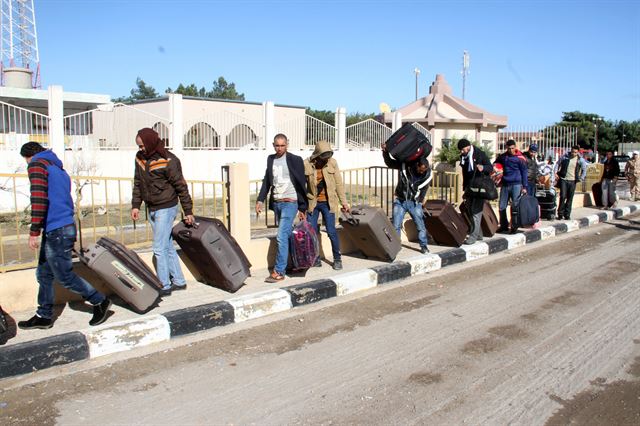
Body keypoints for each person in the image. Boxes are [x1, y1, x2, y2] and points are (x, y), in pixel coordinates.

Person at [17, 142, 111, 330]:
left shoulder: (36, 165)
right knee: (43, 274)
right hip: (61, 226)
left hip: (57, 229)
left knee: (64, 275)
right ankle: (43, 315)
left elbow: (38, 199)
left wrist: (34, 231)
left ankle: (99, 300)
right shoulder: (58, 169)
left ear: (29, 156)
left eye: (25, 160)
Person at [131, 128, 194, 296]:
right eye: (139, 146)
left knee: (158, 248)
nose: (141, 149)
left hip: (166, 207)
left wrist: (188, 210)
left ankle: (164, 285)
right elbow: (138, 183)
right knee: (166, 246)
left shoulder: (168, 160)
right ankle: (179, 281)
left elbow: (181, 186)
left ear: (151, 142)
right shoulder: (140, 159)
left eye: (143, 146)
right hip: (151, 207)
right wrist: (136, 205)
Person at [256, 134, 307, 282]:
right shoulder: (270, 159)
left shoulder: (295, 160)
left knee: (281, 236)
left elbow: (301, 183)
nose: (279, 148)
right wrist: (260, 199)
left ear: (287, 145)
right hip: (277, 202)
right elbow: (267, 181)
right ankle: (295, 263)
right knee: (287, 236)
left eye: (282, 145)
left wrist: (302, 208)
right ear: (273, 145)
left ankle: (279, 271)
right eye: (277, 145)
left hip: (291, 202)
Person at [304, 140, 349, 270]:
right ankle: (316, 258)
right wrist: (301, 207)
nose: (326, 159)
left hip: (329, 203)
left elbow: (339, 184)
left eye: (328, 156)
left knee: (331, 231)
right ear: (317, 155)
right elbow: (301, 185)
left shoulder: (332, 163)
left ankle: (337, 259)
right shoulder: (306, 164)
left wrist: (344, 202)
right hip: (312, 203)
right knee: (311, 232)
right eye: (324, 157)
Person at [382, 143, 432, 253]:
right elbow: (390, 163)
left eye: (424, 170)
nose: (421, 172)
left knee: (420, 225)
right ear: (417, 165)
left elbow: (424, 188)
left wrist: (420, 200)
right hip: (400, 200)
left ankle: (423, 246)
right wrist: (385, 152)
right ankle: (396, 247)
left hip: (414, 203)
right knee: (396, 226)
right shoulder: (405, 166)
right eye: (420, 170)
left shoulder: (427, 175)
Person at [458, 139, 494, 245]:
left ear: (467, 147)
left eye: (462, 149)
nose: (461, 152)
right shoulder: (463, 158)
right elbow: (466, 174)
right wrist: (465, 189)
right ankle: (479, 234)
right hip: (470, 187)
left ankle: (473, 236)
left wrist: (483, 167)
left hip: (480, 188)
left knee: (476, 211)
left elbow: (490, 167)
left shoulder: (479, 154)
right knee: (468, 209)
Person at [493, 139, 528, 233]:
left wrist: (524, 187)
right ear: (506, 148)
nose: (510, 150)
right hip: (505, 184)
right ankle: (504, 225)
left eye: (512, 148)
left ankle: (514, 226)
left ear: (515, 147)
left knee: (515, 206)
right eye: (508, 148)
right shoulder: (503, 157)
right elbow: (495, 164)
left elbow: (524, 172)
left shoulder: (520, 158)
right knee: (501, 206)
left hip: (516, 185)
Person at [554, 145, 588, 219]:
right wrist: (555, 172)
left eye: (575, 152)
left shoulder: (580, 160)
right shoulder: (565, 157)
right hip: (563, 179)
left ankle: (567, 214)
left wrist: (581, 178)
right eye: (572, 152)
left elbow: (584, 169)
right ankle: (560, 213)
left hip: (573, 181)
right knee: (563, 196)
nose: (573, 153)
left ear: (578, 152)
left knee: (570, 198)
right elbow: (557, 163)